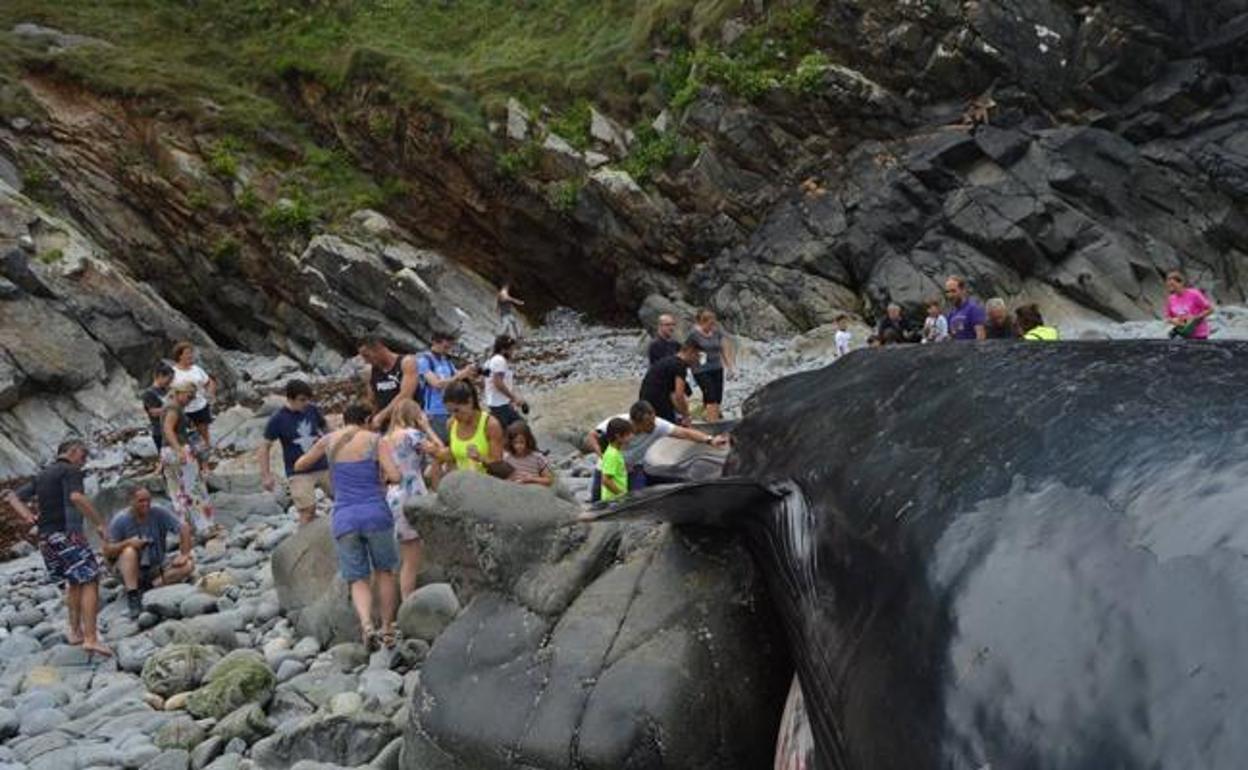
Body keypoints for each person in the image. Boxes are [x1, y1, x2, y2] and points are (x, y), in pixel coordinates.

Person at [295, 403, 401, 649]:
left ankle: (366, 625)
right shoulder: (376, 440)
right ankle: (387, 629)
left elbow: (301, 464)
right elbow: (394, 475)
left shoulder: (329, 441)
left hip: (344, 516)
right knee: (384, 571)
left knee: (357, 578)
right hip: (375, 513)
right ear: (366, 419)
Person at [6, 439, 112, 656]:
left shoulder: (42, 475)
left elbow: (11, 496)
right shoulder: (70, 470)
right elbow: (77, 497)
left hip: (46, 538)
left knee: (74, 582)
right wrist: (99, 523)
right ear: (72, 452)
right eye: (83, 456)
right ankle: (91, 638)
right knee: (90, 579)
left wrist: (28, 516)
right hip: (67, 535)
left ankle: (75, 632)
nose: (83, 462)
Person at [586, 400, 728, 499]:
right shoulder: (618, 424)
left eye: (653, 420)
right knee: (597, 503)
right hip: (608, 468)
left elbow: (684, 433)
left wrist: (710, 440)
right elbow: (591, 436)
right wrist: (603, 458)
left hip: (634, 468)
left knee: (639, 500)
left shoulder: (657, 425)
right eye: (648, 424)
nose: (653, 426)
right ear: (635, 423)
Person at [102, 487, 194, 620]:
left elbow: (183, 527)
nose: (146, 504)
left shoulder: (158, 512)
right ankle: (133, 595)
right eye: (141, 501)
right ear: (131, 501)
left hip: (155, 565)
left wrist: (184, 554)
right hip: (129, 569)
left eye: (148, 500)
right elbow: (107, 550)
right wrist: (128, 543)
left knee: (188, 565)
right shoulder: (120, 520)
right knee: (129, 552)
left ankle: (150, 588)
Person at [381, 401, 442, 599]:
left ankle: (408, 599)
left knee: (408, 553)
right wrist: (426, 427)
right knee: (412, 559)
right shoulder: (411, 435)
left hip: (393, 493)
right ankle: (409, 601)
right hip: (412, 490)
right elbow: (440, 450)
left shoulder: (386, 438)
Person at [259, 380, 332, 525]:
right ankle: (304, 543)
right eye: (302, 400)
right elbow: (264, 447)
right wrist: (266, 475)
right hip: (297, 471)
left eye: (307, 399)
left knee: (344, 497)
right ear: (290, 399)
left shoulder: (312, 410)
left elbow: (326, 429)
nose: (306, 403)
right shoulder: (278, 419)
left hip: (323, 465)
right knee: (307, 511)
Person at [162, 382, 216, 534]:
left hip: (167, 452)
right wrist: (179, 449)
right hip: (179, 450)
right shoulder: (173, 408)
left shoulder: (169, 406)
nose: (190, 400)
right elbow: (168, 429)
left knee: (177, 492)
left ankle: (185, 526)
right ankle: (204, 524)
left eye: (193, 397)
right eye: (189, 396)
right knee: (195, 487)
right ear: (180, 392)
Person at [418, 331, 477, 444]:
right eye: (445, 347)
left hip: (452, 409)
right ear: (435, 342)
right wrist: (460, 375)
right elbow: (436, 384)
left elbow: (455, 376)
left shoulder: (446, 361)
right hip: (435, 412)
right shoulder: (424, 361)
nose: (447, 350)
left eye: (449, 347)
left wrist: (469, 373)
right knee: (441, 445)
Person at [437, 381, 506, 474]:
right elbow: (453, 457)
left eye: (457, 410)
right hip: (462, 484)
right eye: (450, 412)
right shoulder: (451, 423)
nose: (454, 415)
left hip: (487, 484)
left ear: (470, 402)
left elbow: (499, 465)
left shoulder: (491, 425)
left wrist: (480, 458)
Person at [358, 335, 419, 431]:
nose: (366, 361)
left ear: (379, 348)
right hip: (384, 425)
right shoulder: (370, 371)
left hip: (407, 422)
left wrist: (382, 415)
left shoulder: (406, 363)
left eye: (367, 356)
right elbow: (372, 400)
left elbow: (406, 395)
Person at [686, 309, 734, 422]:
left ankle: (709, 415)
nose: (712, 326)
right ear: (702, 322)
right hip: (700, 370)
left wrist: (729, 367)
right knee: (710, 395)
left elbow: (723, 348)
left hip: (717, 367)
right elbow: (686, 351)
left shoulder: (716, 332)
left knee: (717, 397)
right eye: (710, 323)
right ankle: (713, 423)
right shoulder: (694, 334)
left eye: (714, 323)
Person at [639, 340, 700, 425]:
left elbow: (674, 393)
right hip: (657, 401)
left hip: (645, 401)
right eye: (697, 355)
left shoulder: (669, 361)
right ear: (690, 352)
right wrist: (686, 415)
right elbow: (679, 395)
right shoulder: (680, 366)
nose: (698, 360)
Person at [171, 341, 217, 446]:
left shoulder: (196, 369)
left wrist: (210, 394)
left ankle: (207, 450)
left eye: (191, 353)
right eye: (187, 353)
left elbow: (209, 382)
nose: (190, 355)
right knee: (184, 435)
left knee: (204, 431)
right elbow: (169, 391)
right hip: (183, 410)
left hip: (200, 406)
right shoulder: (173, 372)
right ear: (179, 356)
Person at [484, 335, 527, 430]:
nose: (513, 352)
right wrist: (514, 398)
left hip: (496, 403)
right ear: (504, 349)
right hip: (500, 404)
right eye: (511, 349)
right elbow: (498, 382)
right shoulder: (499, 360)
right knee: (520, 429)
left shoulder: (490, 361)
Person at [1164, 271, 1214, 340]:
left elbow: (1210, 309)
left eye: (1173, 284)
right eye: (1169, 285)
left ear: (1181, 283)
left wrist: (1195, 318)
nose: (1171, 287)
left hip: (1199, 334)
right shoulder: (1171, 299)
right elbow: (1167, 317)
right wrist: (1174, 320)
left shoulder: (1194, 294)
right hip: (1183, 334)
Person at [504, 421, 553, 486]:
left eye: (521, 442)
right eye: (515, 442)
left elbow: (549, 481)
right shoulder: (508, 457)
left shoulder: (538, 458)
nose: (518, 446)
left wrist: (532, 479)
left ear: (528, 441)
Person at [598, 418, 634, 502]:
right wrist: (621, 495)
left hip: (615, 499)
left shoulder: (615, 451)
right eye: (628, 434)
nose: (631, 437)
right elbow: (606, 480)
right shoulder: (612, 454)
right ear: (618, 436)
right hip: (613, 500)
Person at [142, 363, 174, 452]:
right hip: (160, 432)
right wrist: (172, 407)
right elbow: (153, 412)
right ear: (160, 376)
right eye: (169, 378)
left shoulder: (167, 390)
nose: (170, 381)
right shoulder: (149, 393)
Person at [944, 276, 987, 340]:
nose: (950, 295)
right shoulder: (951, 314)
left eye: (953, 291)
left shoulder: (973, 309)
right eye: (947, 292)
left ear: (963, 290)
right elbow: (951, 336)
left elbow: (981, 337)